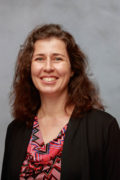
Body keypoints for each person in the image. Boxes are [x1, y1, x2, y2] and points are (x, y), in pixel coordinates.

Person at [1, 24, 120, 180]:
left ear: (72, 69)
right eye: (40, 59)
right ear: (29, 69)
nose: (48, 67)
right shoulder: (15, 130)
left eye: (57, 58)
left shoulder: (103, 127)